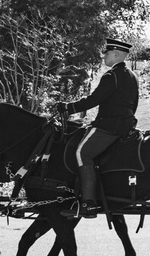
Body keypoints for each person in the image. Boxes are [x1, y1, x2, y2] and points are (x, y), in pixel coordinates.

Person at [56, 38, 139, 219]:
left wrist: (67, 107)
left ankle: (89, 203)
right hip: (126, 126)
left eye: (107, 53)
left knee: (82, 154)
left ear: (116, 54)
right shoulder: (132, 76)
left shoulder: (111, 76)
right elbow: (134, 105)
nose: (104, 56)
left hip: (108, 126)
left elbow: (94, 100)